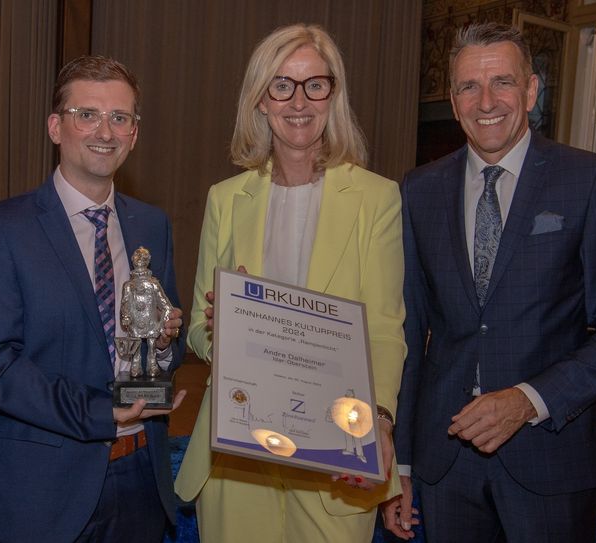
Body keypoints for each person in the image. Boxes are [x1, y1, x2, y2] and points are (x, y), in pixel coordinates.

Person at [383, 22, 596, 542]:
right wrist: (405, 468)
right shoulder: (419, 189)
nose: (487, 101)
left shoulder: (587, 180)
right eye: (468, 87)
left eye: (502, 82)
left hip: (551, 461)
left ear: (531, 91)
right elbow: (408, 337)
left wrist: (528, 399)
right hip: (446, 465)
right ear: (454, 101)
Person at [174, 23, 406, 542]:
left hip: (335, 455)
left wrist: (382, 421)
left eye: (314, 84)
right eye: (281, 85)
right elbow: (197, 333)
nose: (298, 101)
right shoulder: (226, 198)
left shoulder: (377, 199)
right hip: (240, 458)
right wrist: (221, 328)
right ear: (260, 100)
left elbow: (386, 330)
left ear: (333, 94)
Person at [0, 55, 186, 543]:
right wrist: (99, 411)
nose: (105, 130)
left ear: (134, 134)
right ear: (56, 127)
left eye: (120, 118)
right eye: (87, 114)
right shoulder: (2, 229)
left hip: (141, 481)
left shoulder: (153, 226)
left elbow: (164, 342)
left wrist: (165, 343)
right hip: (43, 494)